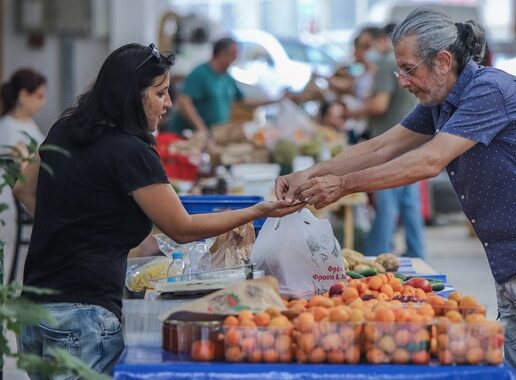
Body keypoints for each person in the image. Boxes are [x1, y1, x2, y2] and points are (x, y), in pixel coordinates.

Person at [276, 8, 516, 379]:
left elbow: (429, 161)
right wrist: (309, 173)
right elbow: (381, 147)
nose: (402, 81)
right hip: (515, 264)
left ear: (443, 61)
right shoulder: (441, 103)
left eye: (409, 69)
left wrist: (343, 185)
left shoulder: (489, 91)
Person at [13, 43, 304, 376]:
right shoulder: (130, 151)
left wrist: (68, 227)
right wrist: (259, 210)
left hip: (35, 308)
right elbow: (182, 228)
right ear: (131, 96)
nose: (168, 104)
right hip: (82, 315)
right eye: (160, 93)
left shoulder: (65, 129)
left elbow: (23, 186)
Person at [349, 24, 426, 260]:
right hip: (410, 143)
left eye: (365, 46)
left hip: (390, 144)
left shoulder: (386, 64)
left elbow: (379, 105)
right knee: (409, 205)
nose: (361, 52)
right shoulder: (402, 63)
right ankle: (416, 254)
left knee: (387, 205)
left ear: (381, 41)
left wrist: (350, 113)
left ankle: (377, 255)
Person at [169, 37, 278, 136]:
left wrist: (277, 100)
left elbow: (245, 101)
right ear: (222, 54)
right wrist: (201, 129)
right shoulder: (200, 74)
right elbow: (184, 102)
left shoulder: (227, 78)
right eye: (233, 54)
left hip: (214, 135)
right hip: (190, 136)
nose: (236, 58)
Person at [0, 68, 47, 282]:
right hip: (9, 202)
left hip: (23, 196)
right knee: (10, 262)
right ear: (23, 95)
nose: (43, 101)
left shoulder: (27, 124)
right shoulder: (9, 128)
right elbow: (23, 167)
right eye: (39, 95)